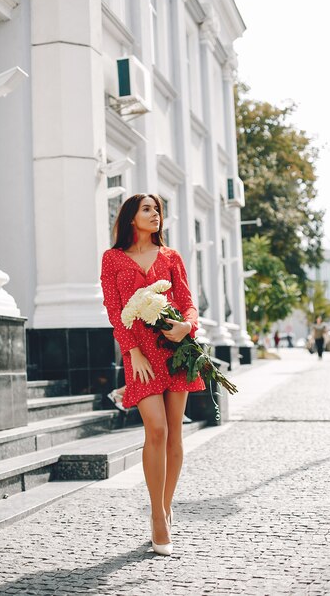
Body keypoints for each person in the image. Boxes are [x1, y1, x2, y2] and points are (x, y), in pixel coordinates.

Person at [100, 194, 205, 556]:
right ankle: (157, 514)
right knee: (155, 429)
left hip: (176, 351)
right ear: (131, 217)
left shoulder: (171, 257)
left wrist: (186, 327)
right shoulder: (112, 259)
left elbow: (189, 301)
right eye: (147, 209)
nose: (155, 214)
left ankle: (166, 505)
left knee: (175, 432)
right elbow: (115, 310)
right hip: (139, 355)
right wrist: (132, 351)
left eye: (158, 210)